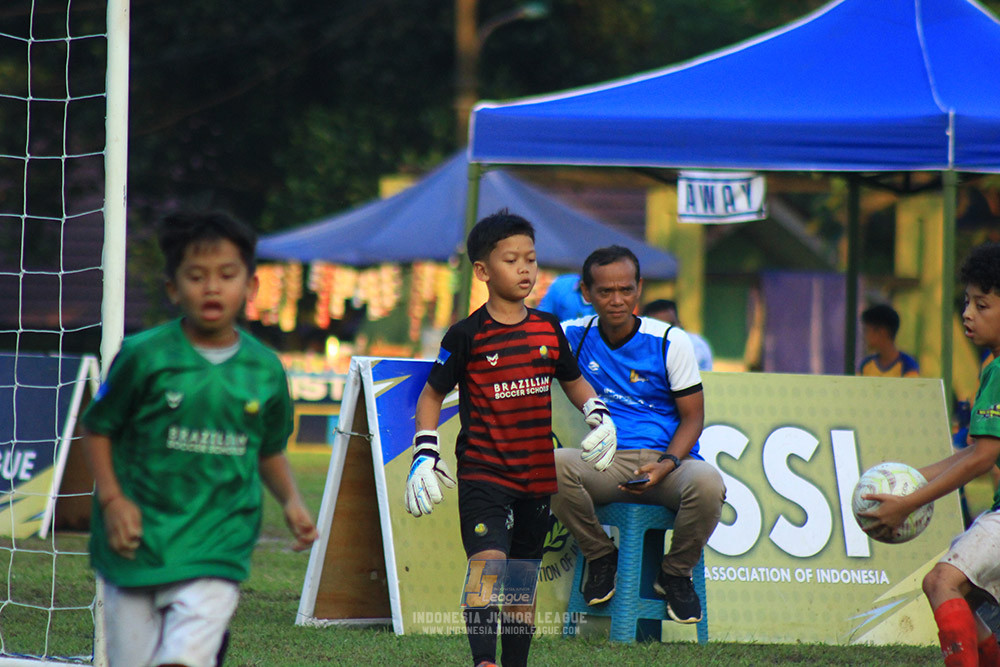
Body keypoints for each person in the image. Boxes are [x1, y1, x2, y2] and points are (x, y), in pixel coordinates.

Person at [81, 211, 318, 667]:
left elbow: (268, 448)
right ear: (173, 288)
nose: (212, 287)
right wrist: (113, 501)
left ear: (250, 287)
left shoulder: (265, 369)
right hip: (138, 542)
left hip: (219, 540)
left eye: (227, 275)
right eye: (196, 276)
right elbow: (98, 427)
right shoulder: (143, 356)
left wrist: (291, 501)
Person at [404, 210, 616, 667]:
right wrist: (425, 451)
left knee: (521, 584)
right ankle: (484, 661)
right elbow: (431, 395)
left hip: (536, 477)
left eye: (531, 259)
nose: (525, 269)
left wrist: (598, 413)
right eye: (511, 260)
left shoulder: (548, 328)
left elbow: (574, 381)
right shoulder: (465, 335)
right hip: (484, 473)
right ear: (482, 271)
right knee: (488, 566)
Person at [553, 245, 726, 624]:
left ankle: (675, 574)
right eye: (605, 291)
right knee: (549, 467)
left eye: (626, 290)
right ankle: (601, 556)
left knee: (709, 483)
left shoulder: (669, 340)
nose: (617, 300)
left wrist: (666, 464)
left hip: (669, 464)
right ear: (586, 293)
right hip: (606, 463)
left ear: (639, 288)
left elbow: (693, 418)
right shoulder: (572, 336)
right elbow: (523, 338)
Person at [860, 242, 1000, 666]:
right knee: (962, 593)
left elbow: (983, 459)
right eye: (966, 302)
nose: (968, 313)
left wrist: (909, 502)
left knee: (941, 582)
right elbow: (979, 450)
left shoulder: (997, 369)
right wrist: (915, 477)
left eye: (982, 305)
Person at [642, 298, 714, 371]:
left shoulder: (694, 344)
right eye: (660, 327)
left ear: (679, 323)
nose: (666, 331)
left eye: (671, 325)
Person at [858, 303, 920, 377]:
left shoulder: (908, 365)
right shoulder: (865, 365)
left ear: (882, 332)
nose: (864, 336)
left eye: (867, 331)